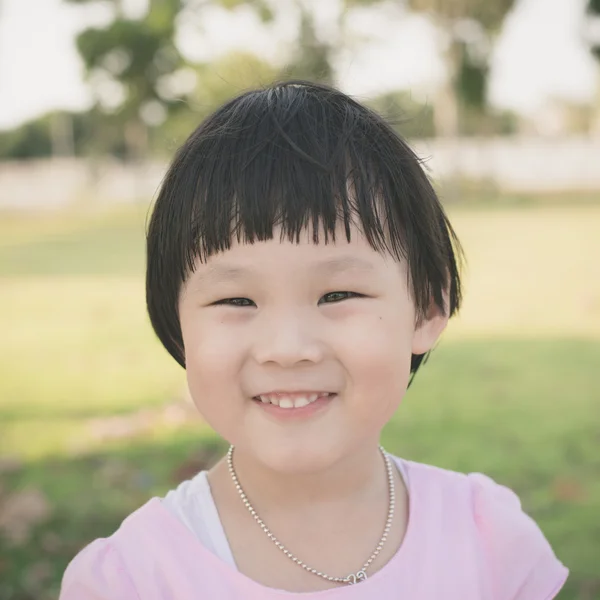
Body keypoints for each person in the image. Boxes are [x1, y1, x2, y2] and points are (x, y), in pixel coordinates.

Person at [59, 80, 568, 599]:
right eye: (236, 301)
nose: (286, 346)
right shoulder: (132, 579)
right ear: (177, 321)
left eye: (337, 293)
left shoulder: (488, 542)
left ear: (427, 307)